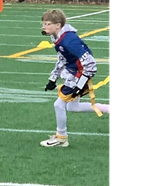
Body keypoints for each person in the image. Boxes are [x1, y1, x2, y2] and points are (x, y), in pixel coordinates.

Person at [39, 9, 109, 147]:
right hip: (73, 73)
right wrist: (53, 78)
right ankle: (108, 108)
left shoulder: (68, 40)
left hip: (79, 74)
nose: (44, 27)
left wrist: (79, 85)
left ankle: (61, 137)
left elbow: (90, 64)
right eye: (43, 24)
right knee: (73, 107)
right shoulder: (58, 37)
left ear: (58, 25)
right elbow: (62, 59)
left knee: (58, 105)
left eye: (47, 24)